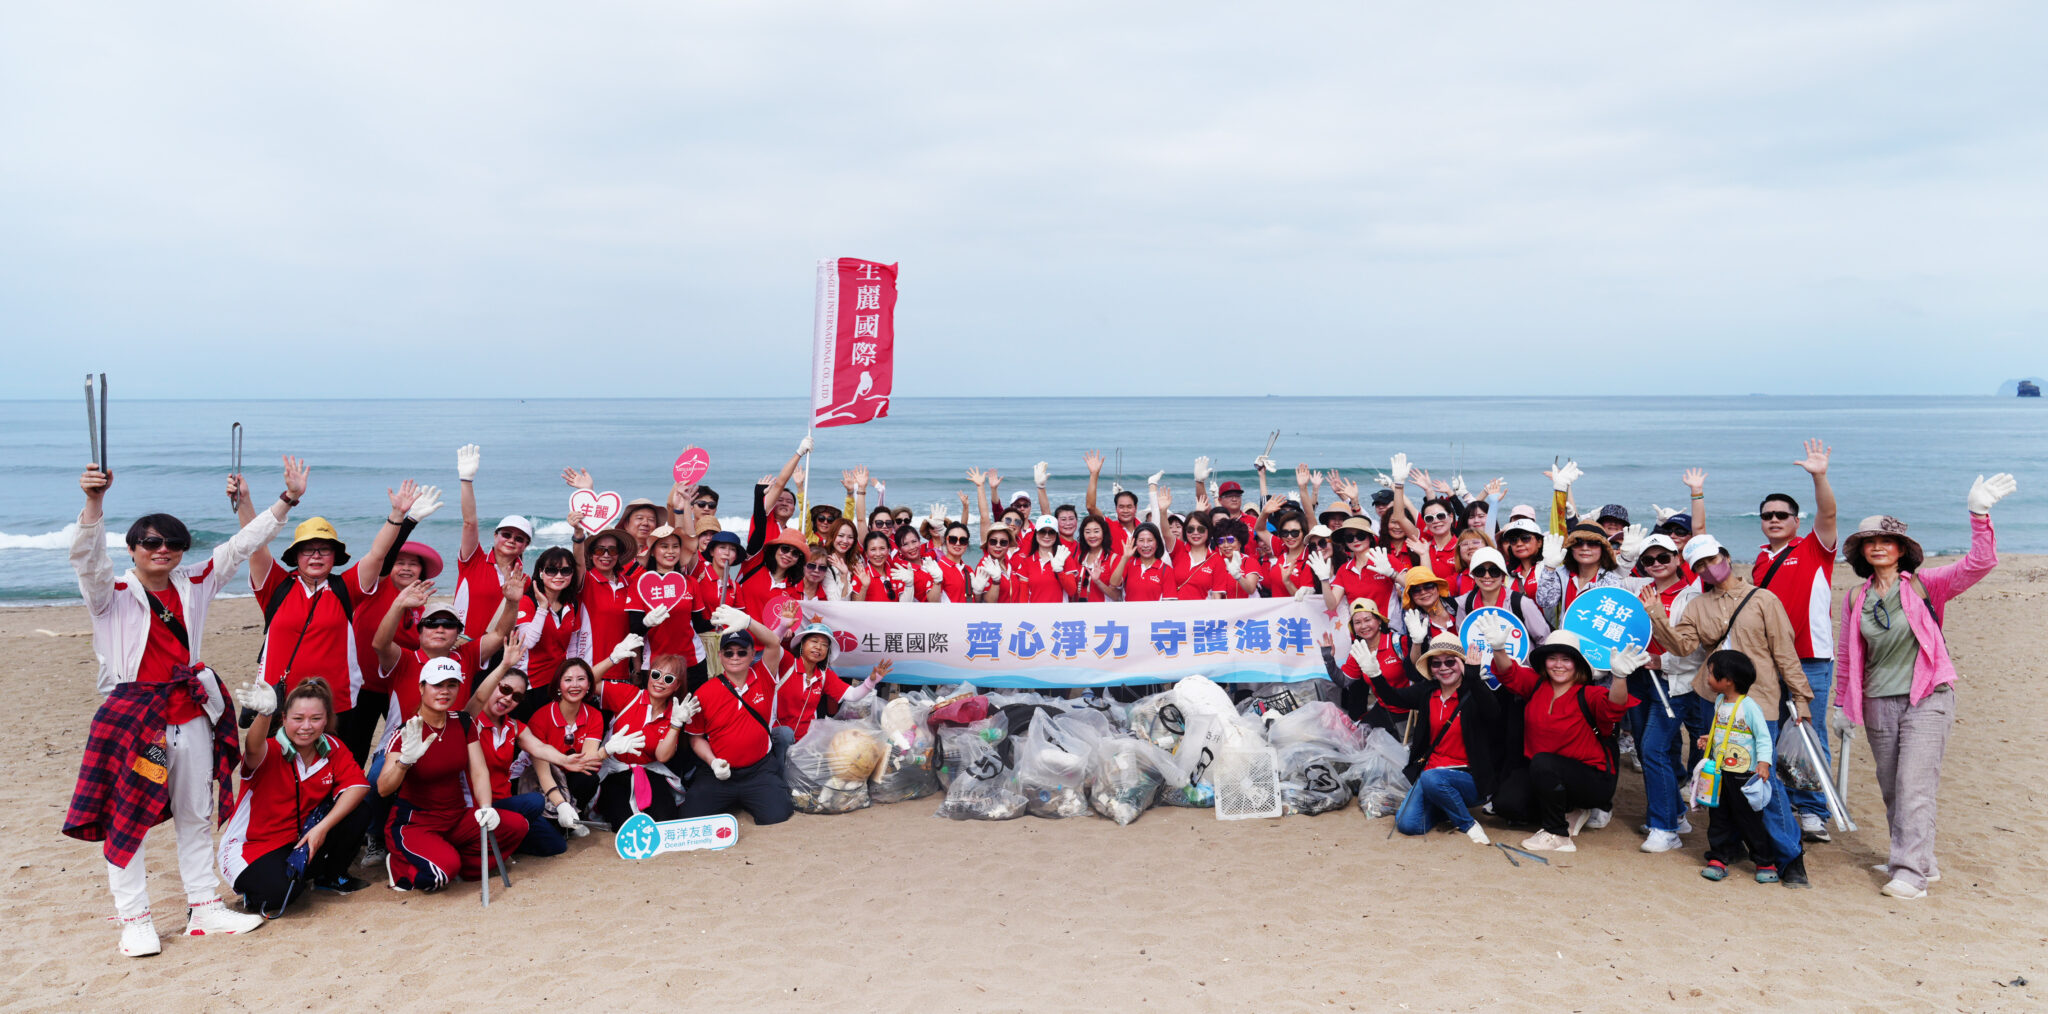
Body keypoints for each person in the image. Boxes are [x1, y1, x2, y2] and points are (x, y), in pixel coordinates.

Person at [64, 456, 306, 955]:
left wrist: (286, 501)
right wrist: (94, 501)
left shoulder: (195, 582)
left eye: (172, 543)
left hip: (191, 711)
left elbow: (241, 547)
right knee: (125, 817)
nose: (163, 550)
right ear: (132, 549)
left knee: (197, 812)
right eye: (151, 542)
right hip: (133, 715)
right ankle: (133, 919)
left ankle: (203, 909)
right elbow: (87, 557)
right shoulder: (110, 593)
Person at [1832, 474, 2014, 898]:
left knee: (1915, 785)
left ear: (1901, 550)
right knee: (1894, 787)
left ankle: (1910, 874)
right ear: (1862, 552)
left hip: (1927, 699)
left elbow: (1979, 563)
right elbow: (1848, 655)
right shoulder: (1855, 598)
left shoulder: (1926, 585)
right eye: (1869, 542)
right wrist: (1842, 707)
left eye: (1887, 541)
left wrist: (1979, 514)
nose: (1878, 547)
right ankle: (1920, 859)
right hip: (1878, 701)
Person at [1640, 534, 1812, 887]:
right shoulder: (1698, 605)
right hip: (1713, 700)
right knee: (1721, 775)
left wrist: (1802, 697)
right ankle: (1729, 846)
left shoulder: (1763, 599)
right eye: (1699, 565)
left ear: (1726, 556)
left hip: (1759, 700)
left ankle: (1789, 855)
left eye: (1711, 559)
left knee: (1763, 778)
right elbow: (1684, 646)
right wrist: (1656, 615)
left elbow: (1784, 653)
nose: (1707, 568)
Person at [244, 481, 424, 738]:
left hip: (337, 705)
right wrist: (244, 500)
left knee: (334, 772)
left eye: (324, 549)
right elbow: (253, 541)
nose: (316, 556)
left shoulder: (346, 588)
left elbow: (377, 554)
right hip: (279, 703)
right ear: (296, 555)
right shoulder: (275, 586)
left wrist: (397, 516)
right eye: (308, 549)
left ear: (334, 556)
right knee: (281, 772)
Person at [218, 678, 372, 917]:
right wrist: (265, 714)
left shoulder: (333, 747)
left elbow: (359, 787)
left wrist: (322, 828)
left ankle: (329, 877)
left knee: (359, 810)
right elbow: (252, 748)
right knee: (281, 895)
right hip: (253, 846)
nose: (306, 726)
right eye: (298, 719)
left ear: (327, 720)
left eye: (316, 718)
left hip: (301, 838)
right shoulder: (270, 749)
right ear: (284, 719)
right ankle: (258, 891)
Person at [1750, 439, 1840, 842]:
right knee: (1771, 734)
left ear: (1795, 519)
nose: (1774, 520)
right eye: (1767, 515)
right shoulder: (1760, 560)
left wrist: (1819, 476)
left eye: (1781, 515)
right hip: (1768, 663)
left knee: (1808, 731)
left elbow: (1829, 512)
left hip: (1810, 659)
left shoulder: (1813, 548)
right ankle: (1783, 802)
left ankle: (1814, 811)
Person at [375, 656, 528, 893]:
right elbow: (383, 788)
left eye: (451, 685)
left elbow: (479, 771)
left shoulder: (463, 722)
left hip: (456, 816)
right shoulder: (407, 732)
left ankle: (451, 860)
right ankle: (399, 864)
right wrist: (405, 762)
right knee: (439, 876)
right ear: (421, 687)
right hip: (416, 823)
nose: (444, 691)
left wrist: (486, 807)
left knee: (516, 826)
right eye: (437, 685)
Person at [1485, 632, 1642, 853]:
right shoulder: (1537, 685)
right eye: (1552, 658)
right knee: (1507, 804)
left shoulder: (1590, 694)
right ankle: (1570, 811)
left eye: (1566, 659)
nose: (1558, 665)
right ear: (1545, 662)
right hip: (1544, 773)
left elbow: (1614, 707)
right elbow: (1508, 673)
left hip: (1590, 778)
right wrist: (1498, 648)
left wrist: (1619, 676)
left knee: (1543, 763)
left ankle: (1557, 834)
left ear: (1577, 664)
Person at [465, 658, 603, 856]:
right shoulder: (470, 720)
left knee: (556, 846)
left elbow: (539, 747)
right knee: (535, 801)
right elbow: (478, 698)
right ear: (492, 685)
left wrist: (565, 760)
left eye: (517, 697)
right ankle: (503, 837)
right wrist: (504, 665)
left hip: (506, 804)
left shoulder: (513, 726)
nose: (508, 699)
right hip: (477, 806)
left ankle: (509, 838)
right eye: (504, 690)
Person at [1375, 635, 1501, 845]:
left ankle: (1468, 824)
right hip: (1430, 773)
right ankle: (1447, 808)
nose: (1443, 668)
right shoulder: (1427, 691)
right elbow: (1393, 698)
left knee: (1432, 778)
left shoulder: (1474, 692)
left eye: (1450, 661)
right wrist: (1375, 674)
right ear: (1431, 668)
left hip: (1467, 777)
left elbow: (1494, 714)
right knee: (1407, 824)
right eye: (1436, 663)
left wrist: (1473, 680)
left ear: (1461, 663)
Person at [681, 609, 797, 825]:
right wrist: (713, 762)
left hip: (758, 771)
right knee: (691, 817)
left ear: (753, 654)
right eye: (729, 652)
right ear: (720, 656)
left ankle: (748, 798)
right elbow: (695, 737)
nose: (735, 657)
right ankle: (731, 798)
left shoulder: (764, 674)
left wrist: (749, 621)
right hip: (719, 773)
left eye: (742, 652)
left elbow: (773, 643)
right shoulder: (705, 691)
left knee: (777, 814)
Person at [1634, 533, 1709, 854]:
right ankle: (1674, 815)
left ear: (1678, 559)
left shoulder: (1693, 596)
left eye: (1663, 557)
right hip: (1637, 678)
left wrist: (1660, 659)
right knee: (1649, 748)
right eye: (1648, 560)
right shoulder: (1637, 589)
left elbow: (1695, 650)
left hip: (1673, 683)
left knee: (1653, 749)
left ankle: (1665, 828)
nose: (1656, 565)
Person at [1695, 651, 1781, 884]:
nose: (1708, 678)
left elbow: (1763, 737)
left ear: (1729, 680)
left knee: (1750, 820)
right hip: (1721, 773)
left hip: (1745, 775)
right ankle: (1719, 858)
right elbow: (1723, 728)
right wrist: (1709, 738)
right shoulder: (1721, 702)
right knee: (1719, 816)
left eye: (1712, 674)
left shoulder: (1750, 707)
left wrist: (1763, 763)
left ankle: (1764, 861)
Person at [592, 654, 702, 827]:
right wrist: (614, 657)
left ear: (677, 685)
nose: (660, 682)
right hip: (615, 771)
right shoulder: (628, 694)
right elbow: (586, 683)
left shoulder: (676, 711)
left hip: (650, 771)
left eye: (668, 678)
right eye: (656, 675)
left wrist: (675, 724)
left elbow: (662, 756)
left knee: (665, 820)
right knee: (626, 824)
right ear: (648, 675)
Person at [453, 444, 533, 642]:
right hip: (461, 644)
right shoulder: (473, 560)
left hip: (498, 651)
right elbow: (469, 523)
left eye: (519, 538)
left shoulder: (524, 580)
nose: (512, 540)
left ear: (525, 546)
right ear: (495, 536)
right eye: (506, 534)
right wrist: (466, 480)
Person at [527, 658, 606, 827]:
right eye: (568, 680)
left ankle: (576, 816)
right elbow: (544, 774)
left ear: (589, 685)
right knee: (554, 833)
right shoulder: (540, 718)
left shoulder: (594, 715)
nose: (575, 685)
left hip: (572, 777)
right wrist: (561, 805)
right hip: (540, 780)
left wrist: (607, 751)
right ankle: (562, 814)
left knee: (589, 778)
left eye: (581, 679)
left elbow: (588, 763)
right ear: (558, 685)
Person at [773, 623, 888, 739]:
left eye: (824, 645)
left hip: (804, 742)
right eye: (814, 641)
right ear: (802, 644)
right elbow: (772, 645)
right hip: (776, 738)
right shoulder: (786, 662)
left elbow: (853, 695)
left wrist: (871, 681)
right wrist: (783, 625)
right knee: (785, 735)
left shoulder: (825, 675)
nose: (818, 647)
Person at [515, 546, 587, 722]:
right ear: (541, 572)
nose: (559, 576)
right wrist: (542, 608)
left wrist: (572, 679)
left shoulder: (572, 605)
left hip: (556, 684)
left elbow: (571, 647)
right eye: (552, 570)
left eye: (565, 570)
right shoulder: (526, 601)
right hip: (529, 684)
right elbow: (528, 642)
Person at [1323, 600, 1409, 735]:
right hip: (1383, 708)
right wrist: (1328, 659)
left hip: (1407, 711)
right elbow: (1343, 681)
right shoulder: (1359, 649)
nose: (1363, 626)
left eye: (1367, 620)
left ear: (1379, 621)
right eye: (1357, 622)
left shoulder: (1398, 642)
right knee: (1354, 738)